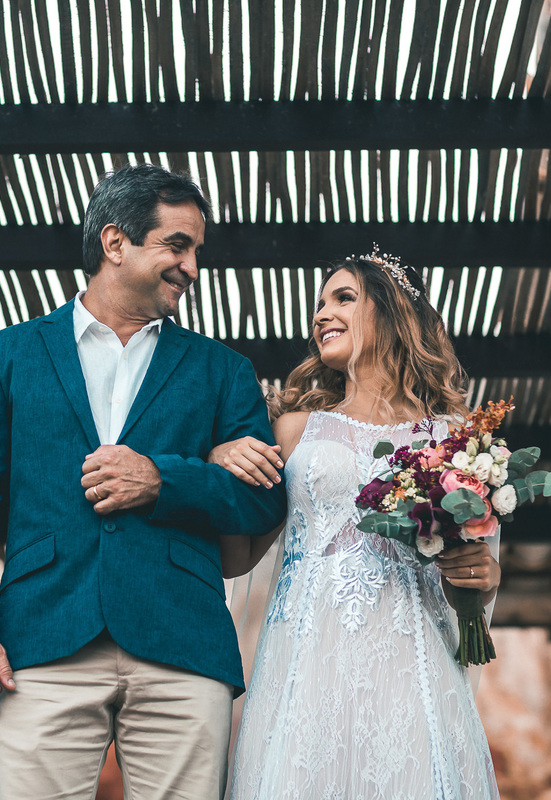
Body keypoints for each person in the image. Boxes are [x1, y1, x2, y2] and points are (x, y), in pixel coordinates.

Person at [0, 163, 287, 800]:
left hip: (183, 644)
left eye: (197, 251)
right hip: (38, 643)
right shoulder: (5, 356)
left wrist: (164, 480)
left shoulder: (224, 371)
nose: (193, 268)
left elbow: (263, 499)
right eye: (176, 246)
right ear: (115, 242)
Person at [213, 250, 501, 799]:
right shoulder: (296, 429)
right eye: (319, 304)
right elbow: (236, 557)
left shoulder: (454, 437)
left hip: (411, 662)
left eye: (343, 298)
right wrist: (222, 464)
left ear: (393, 315)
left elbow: (479, 573)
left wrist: (482, 580)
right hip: (306, 665)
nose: (321, 314)